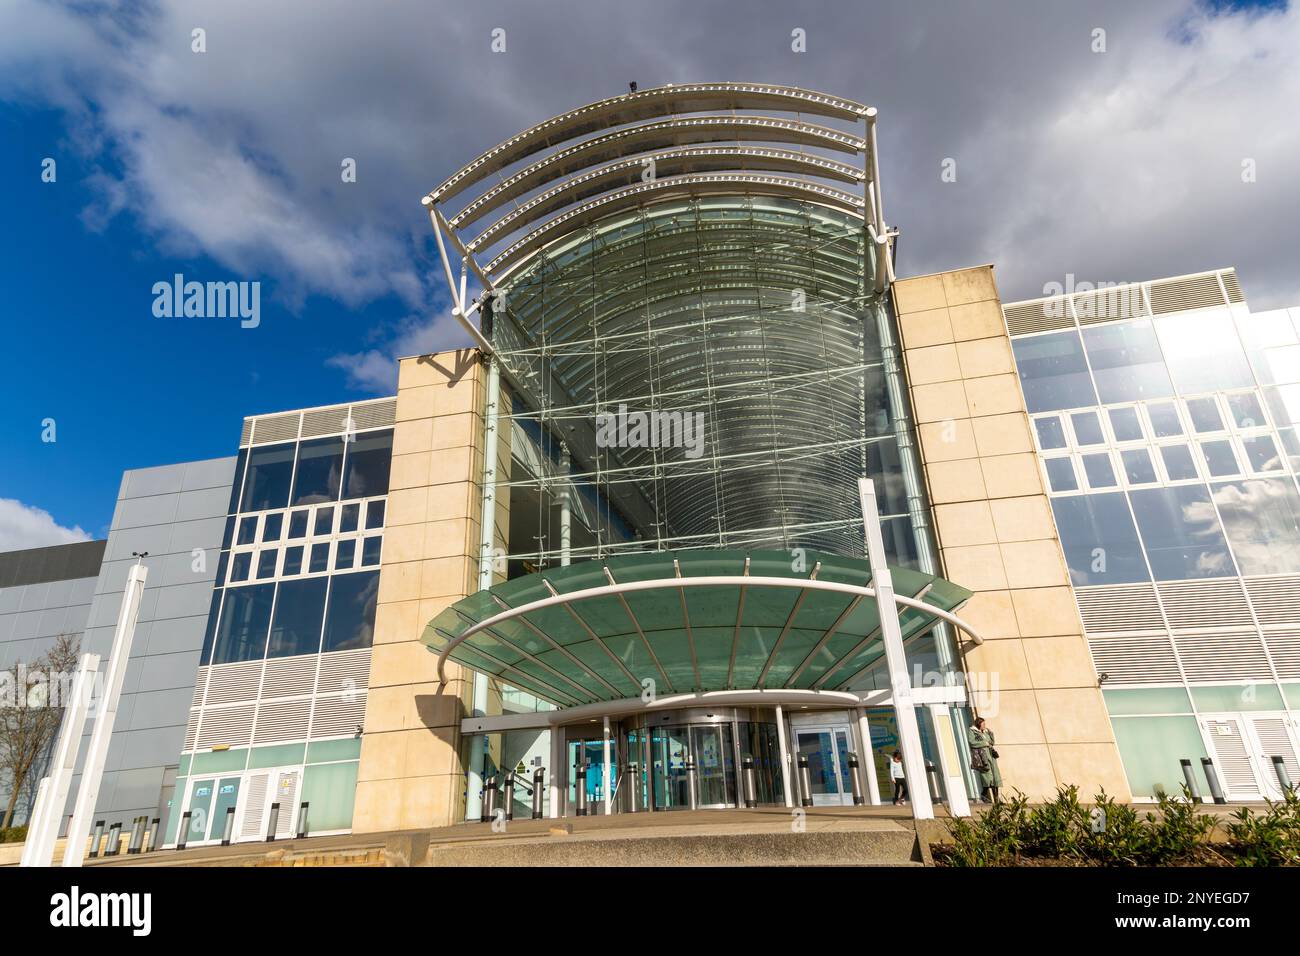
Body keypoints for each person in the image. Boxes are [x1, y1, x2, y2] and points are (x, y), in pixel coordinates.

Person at [967, 717, 1002, 803]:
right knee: (988, 777)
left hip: (991, 756)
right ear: (979, 724)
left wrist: (990, 733)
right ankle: (984, 794)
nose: (984, 726)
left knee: (995, 777)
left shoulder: (986, 732)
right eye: (983, 724)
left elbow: (992, 742)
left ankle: (996, 800)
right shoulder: (972, 731)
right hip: (982, 757)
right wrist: (984, 743)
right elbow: (972, 742)